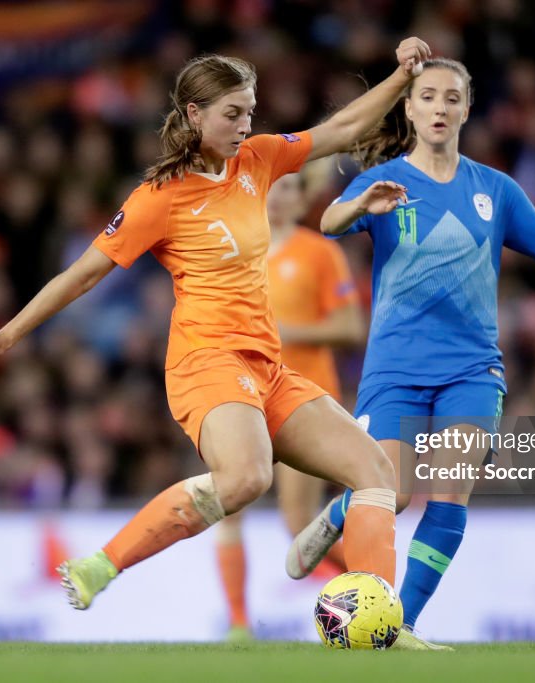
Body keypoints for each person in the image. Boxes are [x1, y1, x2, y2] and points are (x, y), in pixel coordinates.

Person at [0, 38, 442, 649]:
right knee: (244, 479)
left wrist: (401, 77)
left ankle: (383, 627)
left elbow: (342, 128)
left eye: (250, 111)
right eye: (232, 113)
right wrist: (9, 333)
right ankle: (102, 563)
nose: (246, 124)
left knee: (377, 475)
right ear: (193, 115)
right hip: (205, 360)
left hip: (268, 366)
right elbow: (83, 273)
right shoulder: (158, 199)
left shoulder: (258, 160)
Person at [286, 58, 535, 647]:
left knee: (448, 494)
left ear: (467, 109)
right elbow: (327, 220)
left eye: (452, 97)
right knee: (390, 494)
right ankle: (342, 511)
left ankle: (403, 624)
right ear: (410, 109)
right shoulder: (387, 180)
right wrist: (361, 205)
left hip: (472, 369)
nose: (441, 107)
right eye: (428, 97)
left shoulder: (496, 190)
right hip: (394, 367)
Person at [215, 171, 363, 641]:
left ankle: (372, 592)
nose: (276, 197)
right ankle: (238, 625)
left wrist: (284, 334)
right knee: (229, 504)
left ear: (303, 201)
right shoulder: (236, 253)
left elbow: (350, 327)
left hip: (304, 399)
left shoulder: (320, 252)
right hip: (244, 396)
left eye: (288, 189)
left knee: (298, 525)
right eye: (270, 187)